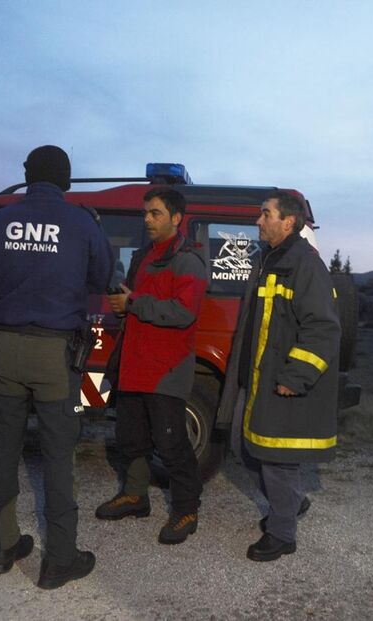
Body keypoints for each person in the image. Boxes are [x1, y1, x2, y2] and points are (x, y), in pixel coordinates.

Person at [0, 145, 112, 589]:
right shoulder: (82, 222)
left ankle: (3, 548)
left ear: (28, 176)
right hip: (54, 354)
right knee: (58, 457)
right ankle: (59, 560)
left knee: (2, 451)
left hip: (5, 348)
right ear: (65, 180)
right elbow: (102, 278)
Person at [217, 190, 340, 562]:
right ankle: (292, 502)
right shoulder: (271, 260)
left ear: (288, 221)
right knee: (243, 446)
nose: (258, 221)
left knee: (277, 458)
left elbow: (324, 328)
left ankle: (282, 533)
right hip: (255, 379)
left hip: (282, 382)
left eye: (265, 214)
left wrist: (296, 375)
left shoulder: (305, 265)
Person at [94, 187, 208, 545]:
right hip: (134, 364)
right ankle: (135, 496)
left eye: (155, 213)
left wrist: (135, 302)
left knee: (172, 444)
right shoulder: (143, 256)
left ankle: (186, 510)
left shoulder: (188, 260)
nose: (147, 220)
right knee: (131, 439)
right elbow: (136, 299)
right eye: (146, 213)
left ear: (176, 218)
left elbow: (184, 311)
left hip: (165, 369)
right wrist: (123, 302)